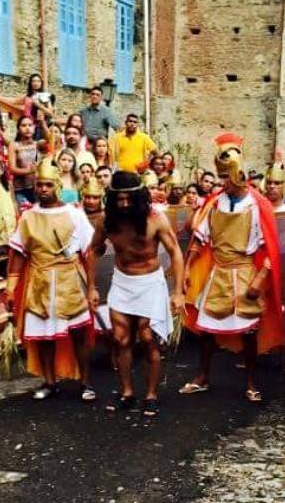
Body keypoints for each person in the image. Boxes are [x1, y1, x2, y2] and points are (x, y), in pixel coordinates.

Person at [180, 133, 284, 402]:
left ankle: (250, 382)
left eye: (226, 177)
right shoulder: (215, 202)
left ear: (238, 173)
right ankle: (202, 377)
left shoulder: (257, 204)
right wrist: (187, 269)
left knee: (248, 331)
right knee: (206, 330)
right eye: (220, 177)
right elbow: (200, 238)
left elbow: (269, 248)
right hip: (218, 272)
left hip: (245, 272)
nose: (221, 182)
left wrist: (260, 279)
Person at [87, 171, 184, 416]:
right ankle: (127, 393)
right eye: (119, 199)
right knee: (121, 340)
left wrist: (178, 292)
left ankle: (151, 395)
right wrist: (91, 288)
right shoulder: (107, 220)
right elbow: (94, 250)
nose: (123, 204)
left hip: (150, 284)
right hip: (122, 283)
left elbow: (175, 252)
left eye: (128, 199)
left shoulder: (155, 219)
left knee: (148, 338)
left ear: (138, 197)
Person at [6, 159, 96, 401]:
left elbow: (88, 252)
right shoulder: (28, 217)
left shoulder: (74, 214)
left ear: (57, 185)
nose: (43, 189)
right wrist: (10, 288)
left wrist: (92, 288)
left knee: (78, 334)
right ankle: (49, 381)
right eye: (39, 185)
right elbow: (18, 253)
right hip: (40, 282)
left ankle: (86, 382)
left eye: (47, 184)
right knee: (44, 337)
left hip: (70, 281)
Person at [0, 144, 17, 281]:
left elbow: (13, 201)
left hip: (8, 216)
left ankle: (9, 270)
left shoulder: (8, 183)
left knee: (10, 244)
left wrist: (16, 214)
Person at [9, 116, 39, 207]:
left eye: (30, 125)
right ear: (18, 129)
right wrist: (29, 171)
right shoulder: (14, 145)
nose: (27, 128)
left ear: (34, 128)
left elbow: (50, 139)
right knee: (24, 214)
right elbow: (12, 169)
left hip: (37, 188)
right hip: (20, 189)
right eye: (24, 125)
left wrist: (42, 122)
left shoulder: (37, 144)